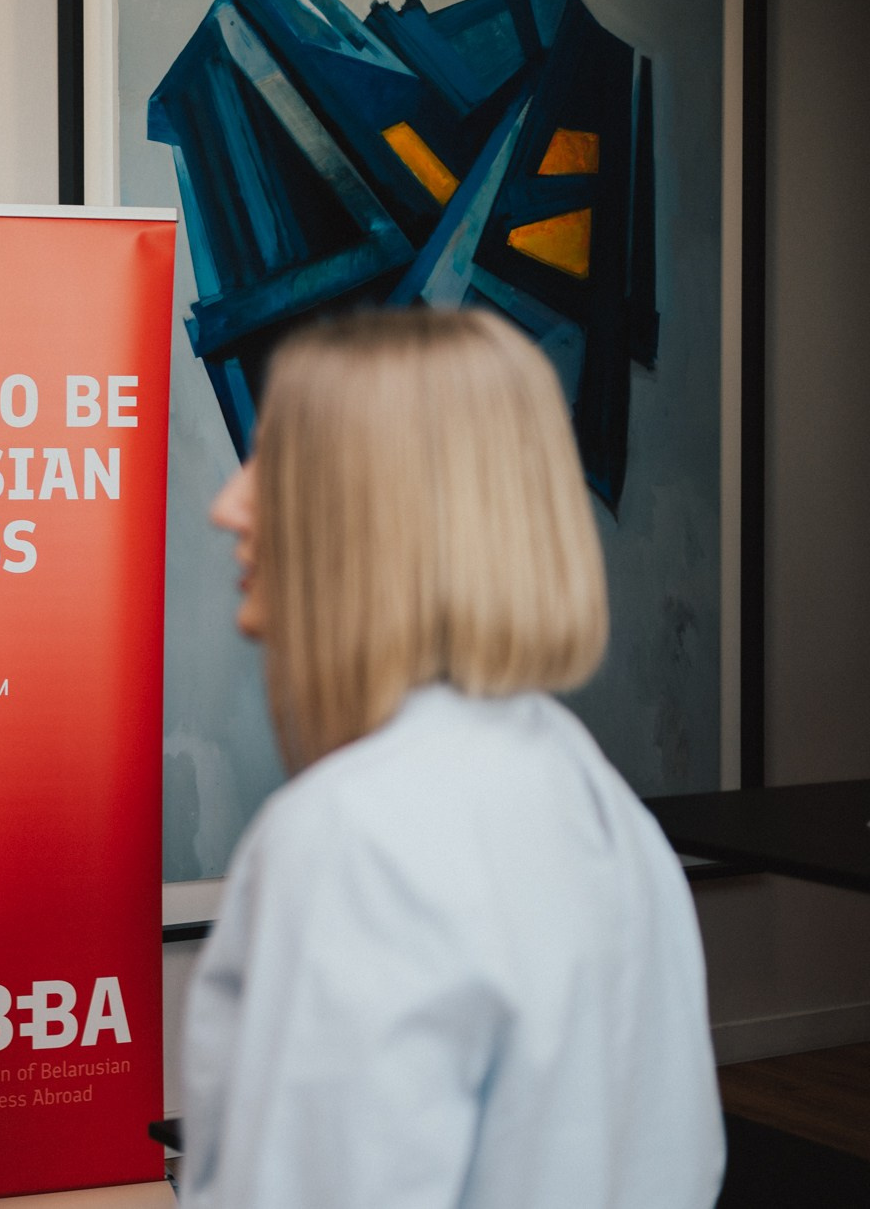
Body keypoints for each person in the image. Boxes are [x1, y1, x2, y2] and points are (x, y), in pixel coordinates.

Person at [179, 308, 723, 1208]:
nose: (230, 504)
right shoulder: (601, 808)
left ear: (380, 509)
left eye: (277, 459)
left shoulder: (354, 840)